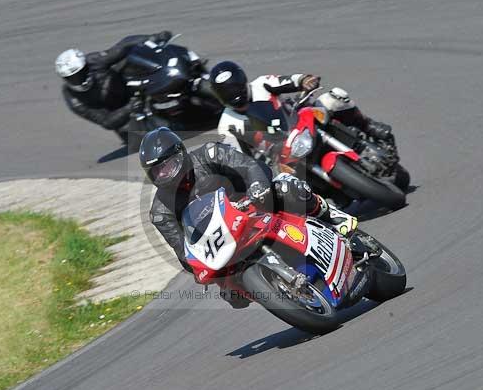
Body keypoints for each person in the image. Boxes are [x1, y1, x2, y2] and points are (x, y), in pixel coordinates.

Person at [139, 127, 358, 305]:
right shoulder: (160, 212)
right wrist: (197, 267)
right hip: (221, 241)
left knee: (285, 187)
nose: (164, 174)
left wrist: (257, 186)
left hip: (253, 204)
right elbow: (182, 251)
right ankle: (280, 293)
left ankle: (331, 215)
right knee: (231, 295)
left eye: (167, 166)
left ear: (181, 154)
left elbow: (249, 165)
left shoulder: (209, 154)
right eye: (157, 172)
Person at [209, 61, 394, 146]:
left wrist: (305, 80)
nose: (233, 94)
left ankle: (368, 125)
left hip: (300, 119)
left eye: (234, 88)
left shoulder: (260, 83)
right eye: (226, 92)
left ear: (243, 82)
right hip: (281, 150)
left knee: (335, 96)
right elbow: (235, 153)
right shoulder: (226, 124)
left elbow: (288, 80)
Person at [54, 31, 173, 141]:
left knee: (133, 58)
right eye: (71, 77)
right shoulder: (73, 99)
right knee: (140, 139)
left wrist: (153, 38)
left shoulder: (94, 61)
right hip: (123, 113)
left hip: (128, 86)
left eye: (79, 73)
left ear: (85, 66)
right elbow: (106, 121)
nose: (77, 79)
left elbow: (123, 46)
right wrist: (130, 107)